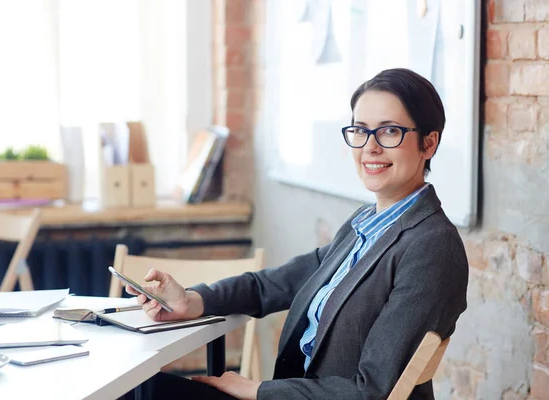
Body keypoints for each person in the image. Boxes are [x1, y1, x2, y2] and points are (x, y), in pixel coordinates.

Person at [126, 68, 469, 399]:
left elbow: (371, 390)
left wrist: (257, 390)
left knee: (135, 392)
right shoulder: (366, 223)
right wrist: (191, 300)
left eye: (389, 131)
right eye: (360, 130)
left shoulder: (431, 246)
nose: (370, 147)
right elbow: (273, 285)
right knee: (136, 388)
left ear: (429, 143)